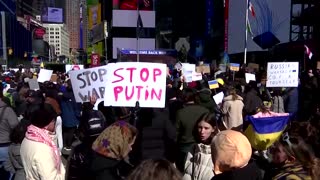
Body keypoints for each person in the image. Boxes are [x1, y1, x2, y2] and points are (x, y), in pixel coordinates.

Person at [20, 103, 65, 180]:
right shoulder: (43, 149)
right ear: (46, 122)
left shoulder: (28, 137)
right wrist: (63, 170)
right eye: (53, 120)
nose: (55, 123)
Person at [176, 88, 209, 172]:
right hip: (200, 146)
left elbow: (176, 131)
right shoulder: (204, 111)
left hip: (184, 147)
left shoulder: (180, 112)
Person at [183, 113, 219, 180]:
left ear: (213, 129)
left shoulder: (219, 149)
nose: (202, 131)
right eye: (200, 127)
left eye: (206, 128)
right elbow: (187, 171)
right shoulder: (193, 147)